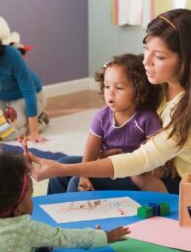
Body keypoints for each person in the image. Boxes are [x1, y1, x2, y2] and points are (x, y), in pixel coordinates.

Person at [30, 9, 191, 209]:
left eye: (159, 57)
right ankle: (47, 234)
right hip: (167, 173)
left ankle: (75, 239)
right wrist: (75, 163)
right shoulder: (161, 87)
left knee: (76, 180)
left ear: (186, 60)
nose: (146, 61)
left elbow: (141, 160)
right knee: (64, 172)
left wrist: (61, 168)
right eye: (146, 49)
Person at [0, 153, 130, 252]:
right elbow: (64, 237)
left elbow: (3, 245)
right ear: (18, 209)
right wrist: (104, 236)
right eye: (30, 196)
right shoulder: (26, 229)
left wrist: (34, 245)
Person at [48, 54, 168, 194]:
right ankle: (49, 212)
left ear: (139, 90)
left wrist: (82, 177)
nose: (110, 93)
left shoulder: (146, 118)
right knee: (61, 165)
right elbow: (91, 151)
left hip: (132, 171)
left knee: (76, 182)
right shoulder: (102, 117)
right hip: (107, 164)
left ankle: (70, 215)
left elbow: (159, 154)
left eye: (119, 88)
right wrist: (84, 175)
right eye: (106, 86)